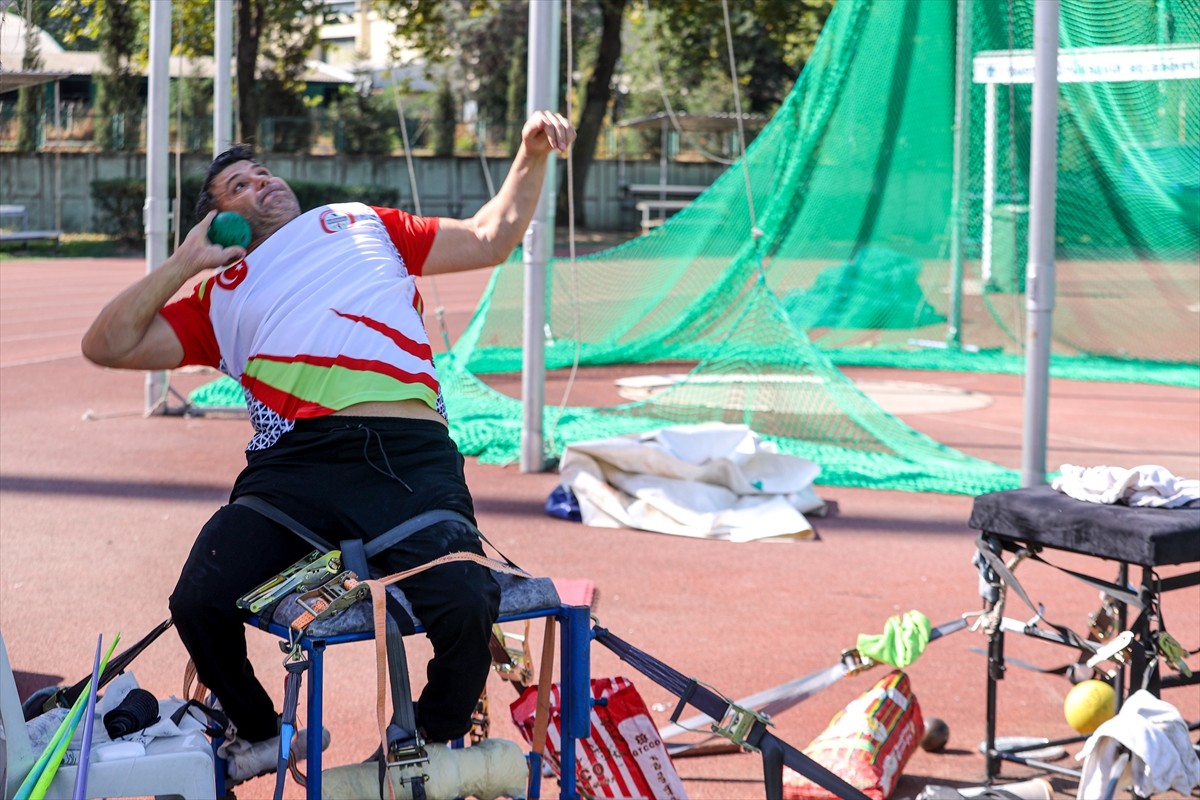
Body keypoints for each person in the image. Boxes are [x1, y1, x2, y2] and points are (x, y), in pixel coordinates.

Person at [81, 110, 576, 785]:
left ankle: (418, 753)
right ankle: (261, 734)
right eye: (237, 186)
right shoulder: (216, 298)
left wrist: (530, 153)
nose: (260, 182)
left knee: (465, 601)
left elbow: (492, 237)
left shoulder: (362, 223)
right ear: (216, 220)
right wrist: (183, 262)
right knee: (198, 599)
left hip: (409, 457)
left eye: (261, 172)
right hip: (296, 468)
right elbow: (104, 345)